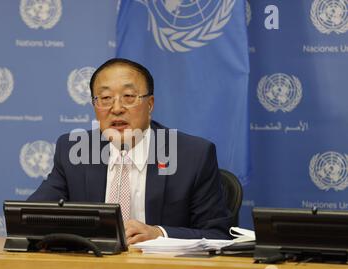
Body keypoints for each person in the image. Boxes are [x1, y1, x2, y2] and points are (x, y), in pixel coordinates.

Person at [28, 58, 232, 244]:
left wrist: (159, 234)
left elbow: (217, 234)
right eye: (105, 98)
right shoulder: (74, 150)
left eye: (128, 96)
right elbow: (30, 219)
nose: (116, 108)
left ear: (150, 104)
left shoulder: (193, 155)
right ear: (94, 106)